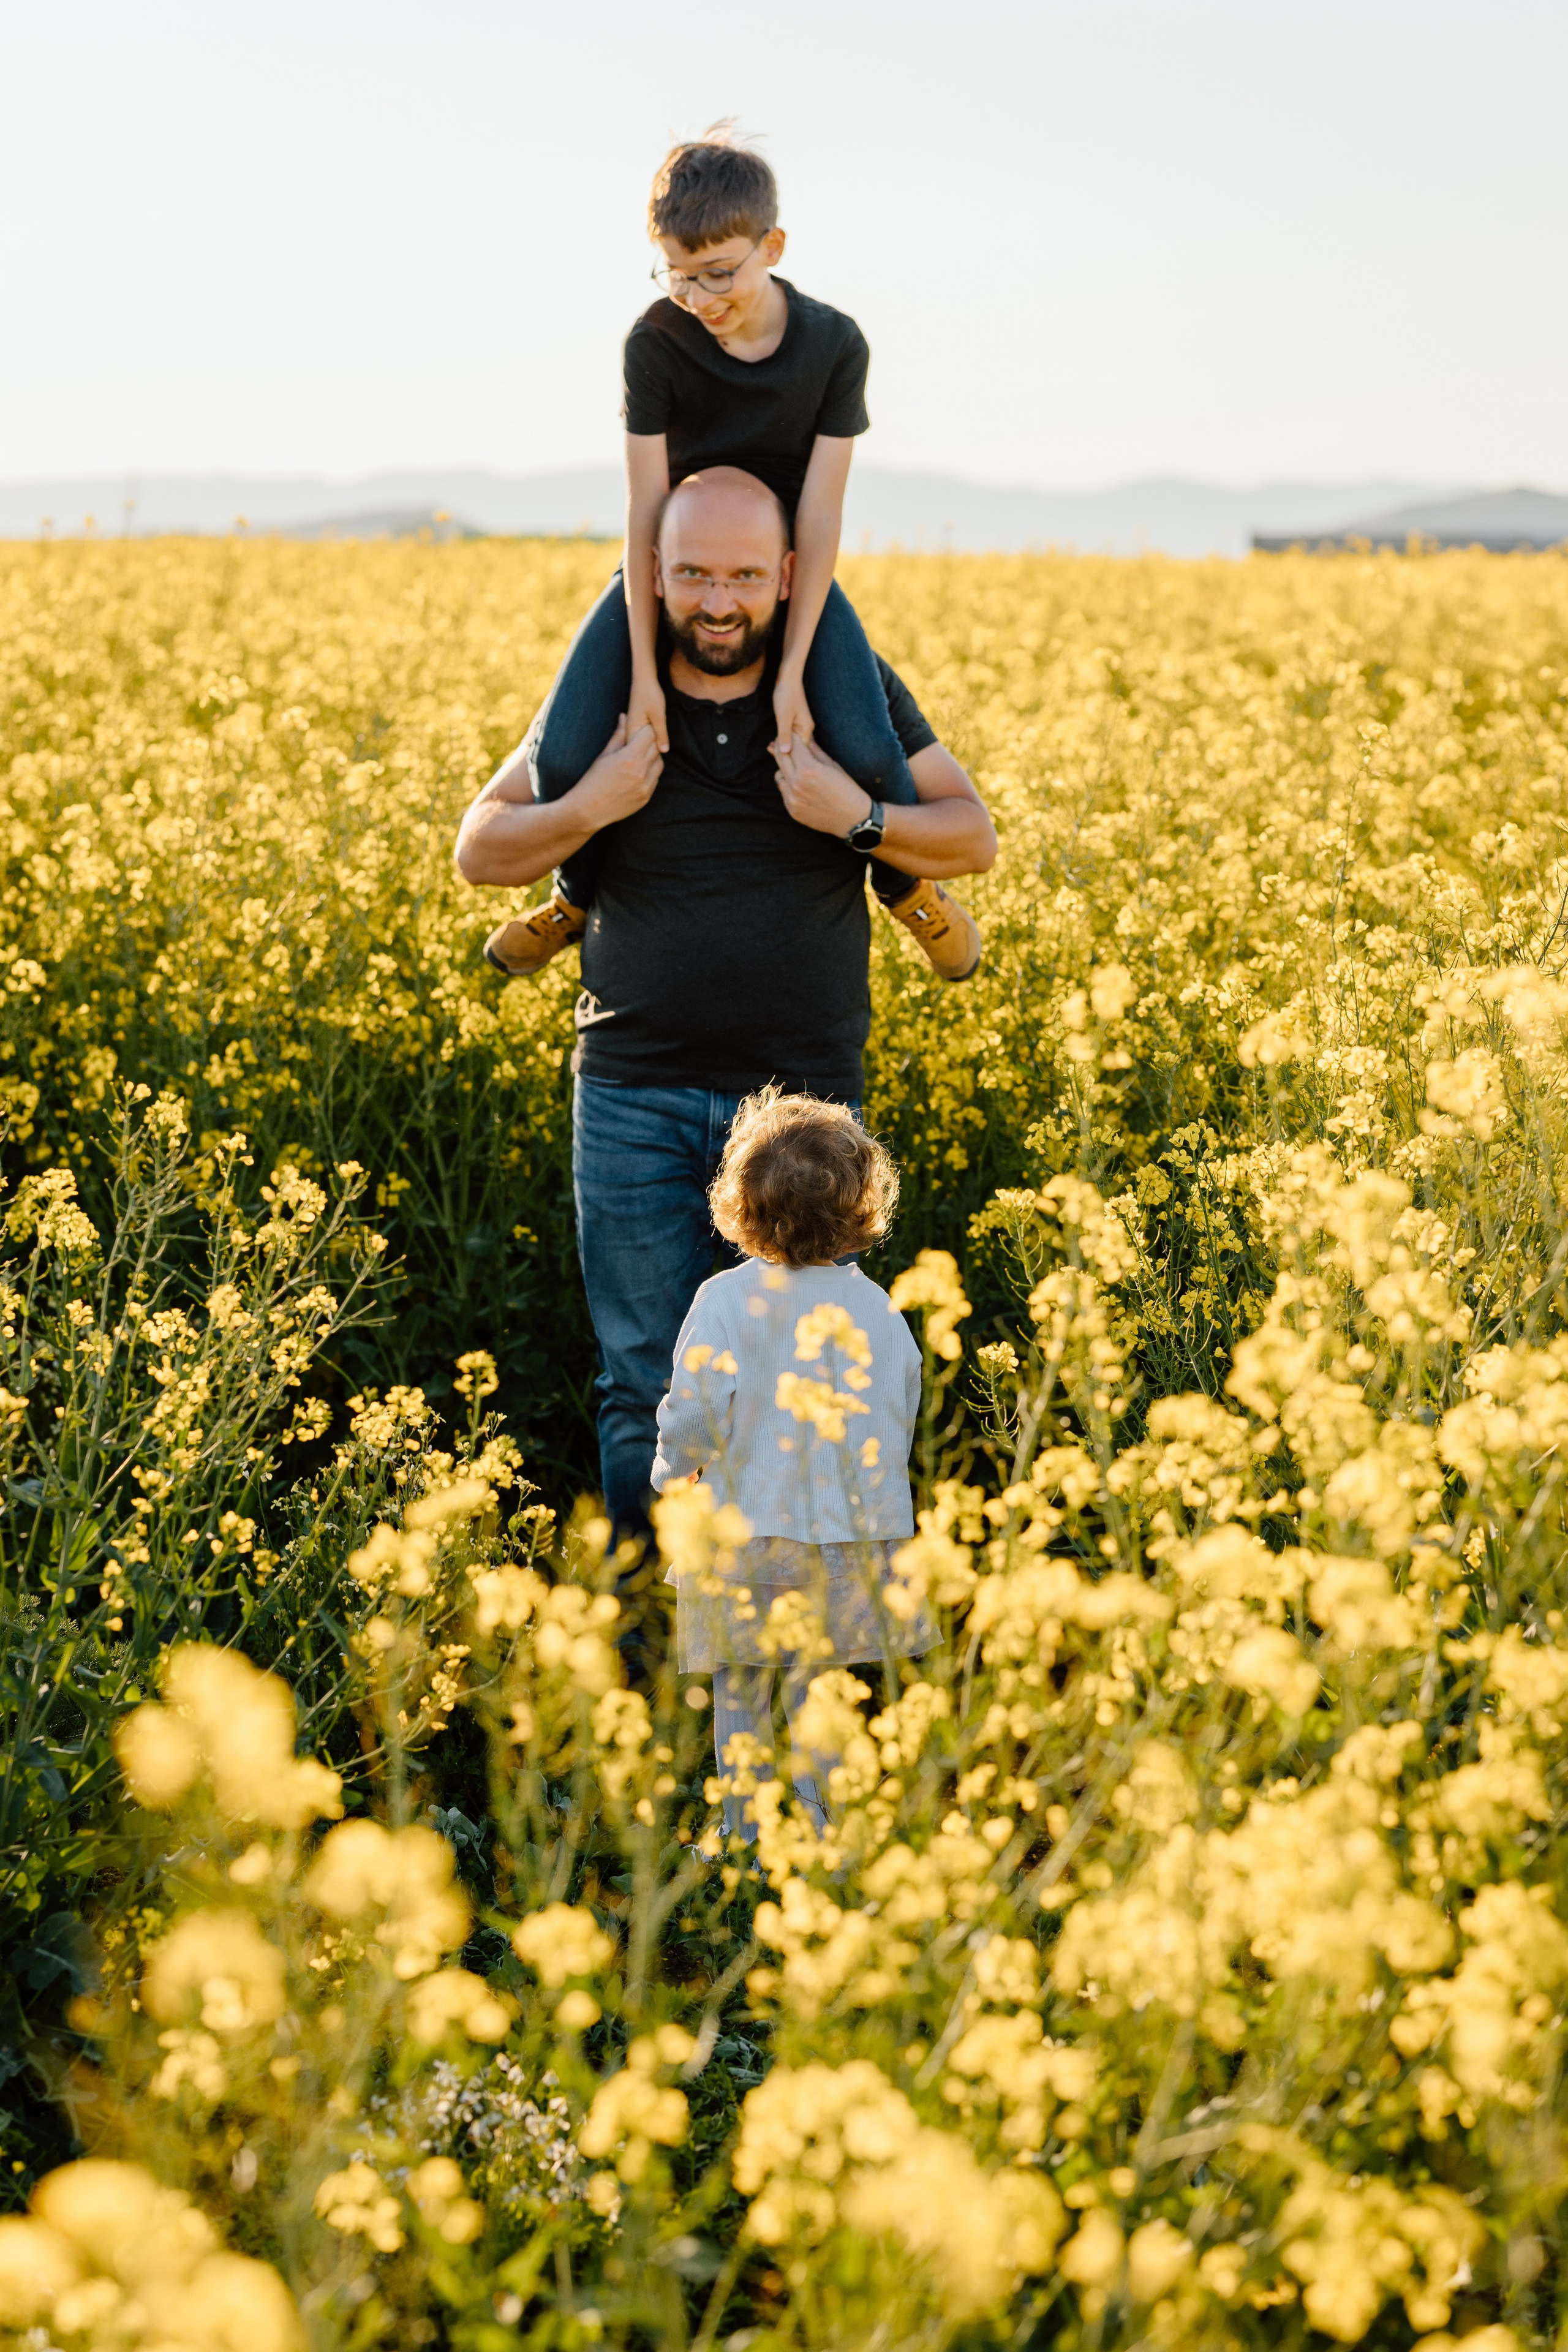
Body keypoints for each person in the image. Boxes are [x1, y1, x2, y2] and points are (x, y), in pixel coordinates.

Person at [453, 465, 997, 1548]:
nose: (717, 599)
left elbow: (969, 836)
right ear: (650, 573)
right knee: (644, 1384)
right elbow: (481, 850)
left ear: (791, 577)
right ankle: (664, 1652)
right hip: (632, 1095)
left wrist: (854, 818)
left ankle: (782, 1642)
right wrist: (591, 803)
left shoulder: (846, 695)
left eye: (745, 574)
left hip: (804, 1103)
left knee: (804, 1377)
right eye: (692, 571)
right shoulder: (607, 695)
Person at [483, 121, 982, 986]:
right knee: (568, 761)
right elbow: (644, 508)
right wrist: (643, 675)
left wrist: (792, 674)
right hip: (668, 574)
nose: (700, 297)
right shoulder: (654, 341)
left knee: (866, 756)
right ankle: (572, 899)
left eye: (721, 274)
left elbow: (820, 513)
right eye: (677, 275)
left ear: (773, 246)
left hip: (784, 580)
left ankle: (908, 892)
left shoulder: (834, 345)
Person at [650, 1088, 936, 1842]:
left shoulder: (723, 1299)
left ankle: (744, 1830)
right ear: (862, 1208)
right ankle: (818, 1824)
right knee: (818, 1687)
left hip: (743, 1533)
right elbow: (897, 1410)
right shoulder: (878, 1307)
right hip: (840, 1535)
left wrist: (672, 1474)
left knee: (740, 1687)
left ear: (739, 1206)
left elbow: (695, 1410)